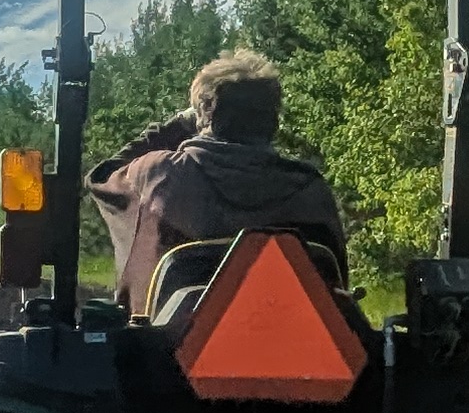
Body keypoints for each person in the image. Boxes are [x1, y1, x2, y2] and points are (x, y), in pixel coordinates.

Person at [88, 48, 347, 316]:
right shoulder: (310, 188)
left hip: (167, 352)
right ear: (273, 121)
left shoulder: (160, 174)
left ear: (204, 111)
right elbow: (337, 292)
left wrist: (178, 124)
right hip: (297, 350)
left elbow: (101, 176)